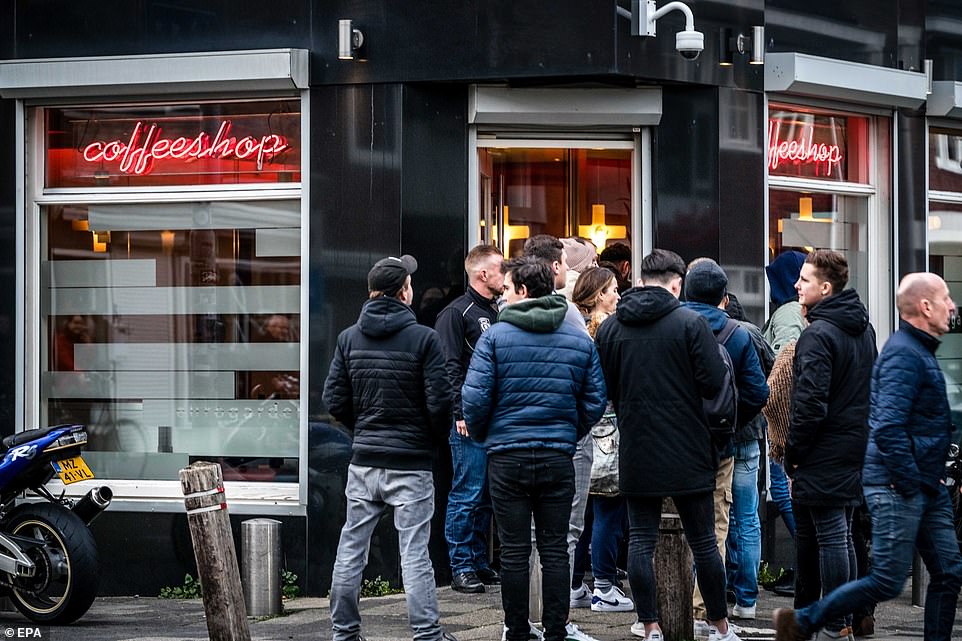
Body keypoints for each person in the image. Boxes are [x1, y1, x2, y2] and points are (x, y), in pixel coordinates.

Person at [774, 272, 962, 641]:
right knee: (886, 580)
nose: (952, 306)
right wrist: (911, 481)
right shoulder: (903, 355)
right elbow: (888, 426)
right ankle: (804, 620)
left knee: (948, 571)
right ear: (925, 306)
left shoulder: (918, 351)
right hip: (902, 485)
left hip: (924, 483)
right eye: (945, 298)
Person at [594, 248, 742, 641]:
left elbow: (604, 388)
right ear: (677, 284)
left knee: (641, 540)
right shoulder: (691, 324)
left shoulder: (611, 329)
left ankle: (650, 625)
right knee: (705, 542)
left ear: (641, 280)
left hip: (637, 448)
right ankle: (719, 626)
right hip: (689, 449)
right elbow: (714, 382)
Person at [462, 256, 607, 641]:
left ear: (523, 291)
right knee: (555, 548)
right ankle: (556, 630)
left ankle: (517, 630)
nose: (503, 296)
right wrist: (569, 432)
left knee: (513, 551)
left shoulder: (494, 337)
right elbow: (595, 399)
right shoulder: (578, 337)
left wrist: (487, 435)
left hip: (507, 457)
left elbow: (474, 400)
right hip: (557, 456)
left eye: (507, 289)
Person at [322, 254, 457, 641]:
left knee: (351, 549)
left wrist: (362, 428)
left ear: (370, 293)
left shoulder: (349, 337)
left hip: (364, 461)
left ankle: (344, 632)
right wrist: (428, 439)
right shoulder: (424, 339)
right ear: (404, 292)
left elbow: (335, 399)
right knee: (414, 552)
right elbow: (440, 402)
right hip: (411, 463)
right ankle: (427, 634)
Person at [784, 250, 876, 638]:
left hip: (824, 448)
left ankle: (836, 624)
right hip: (854, 444)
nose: (796, 285)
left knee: (833, 536)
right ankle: (845, 619)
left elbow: (810, 404)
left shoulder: (819, 335)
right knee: (844, 534)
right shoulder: (863, 328)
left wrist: (793, 453)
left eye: (804, 280)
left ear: (825, 287)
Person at [683, 260, 770, 630]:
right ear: (724, 297)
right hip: (723, 444)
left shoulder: (673, 325)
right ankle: (709, 607)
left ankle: (668, 608)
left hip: (677, 442)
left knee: (671, 525)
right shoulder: (737, 333)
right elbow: (758, 391)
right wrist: (730, 420)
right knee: (719, 525)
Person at [523, 234, 599, 641]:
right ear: (554, 268)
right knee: (563, 534)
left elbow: (480, 391)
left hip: (515, 445)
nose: (569, 271)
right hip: (562, 441)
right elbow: (593, 385)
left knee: (526, 540)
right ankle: (556, 620)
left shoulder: (502, 315)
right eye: (565, 265)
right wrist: (579, 426)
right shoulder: (568, 316)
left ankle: (523, 621)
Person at [436, 244, 505, 594]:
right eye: (500, 268)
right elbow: (448, 367)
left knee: (488, 495)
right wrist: (459, 412)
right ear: (482, 274)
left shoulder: (496, 312)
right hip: (469, 420)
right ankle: (461, 565)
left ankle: (479, 560)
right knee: (467, 491)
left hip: (494, 419)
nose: (505, 275)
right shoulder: (456, 313)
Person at [568, 267, 633, 613]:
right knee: (609, 508)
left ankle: (576, 584)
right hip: (608, 429)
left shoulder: (573, 329)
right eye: (612, 290)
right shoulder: (606, 331)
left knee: (583, 514)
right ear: (597, 296)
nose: (618, 295)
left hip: (582, 431)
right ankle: (604, 586)